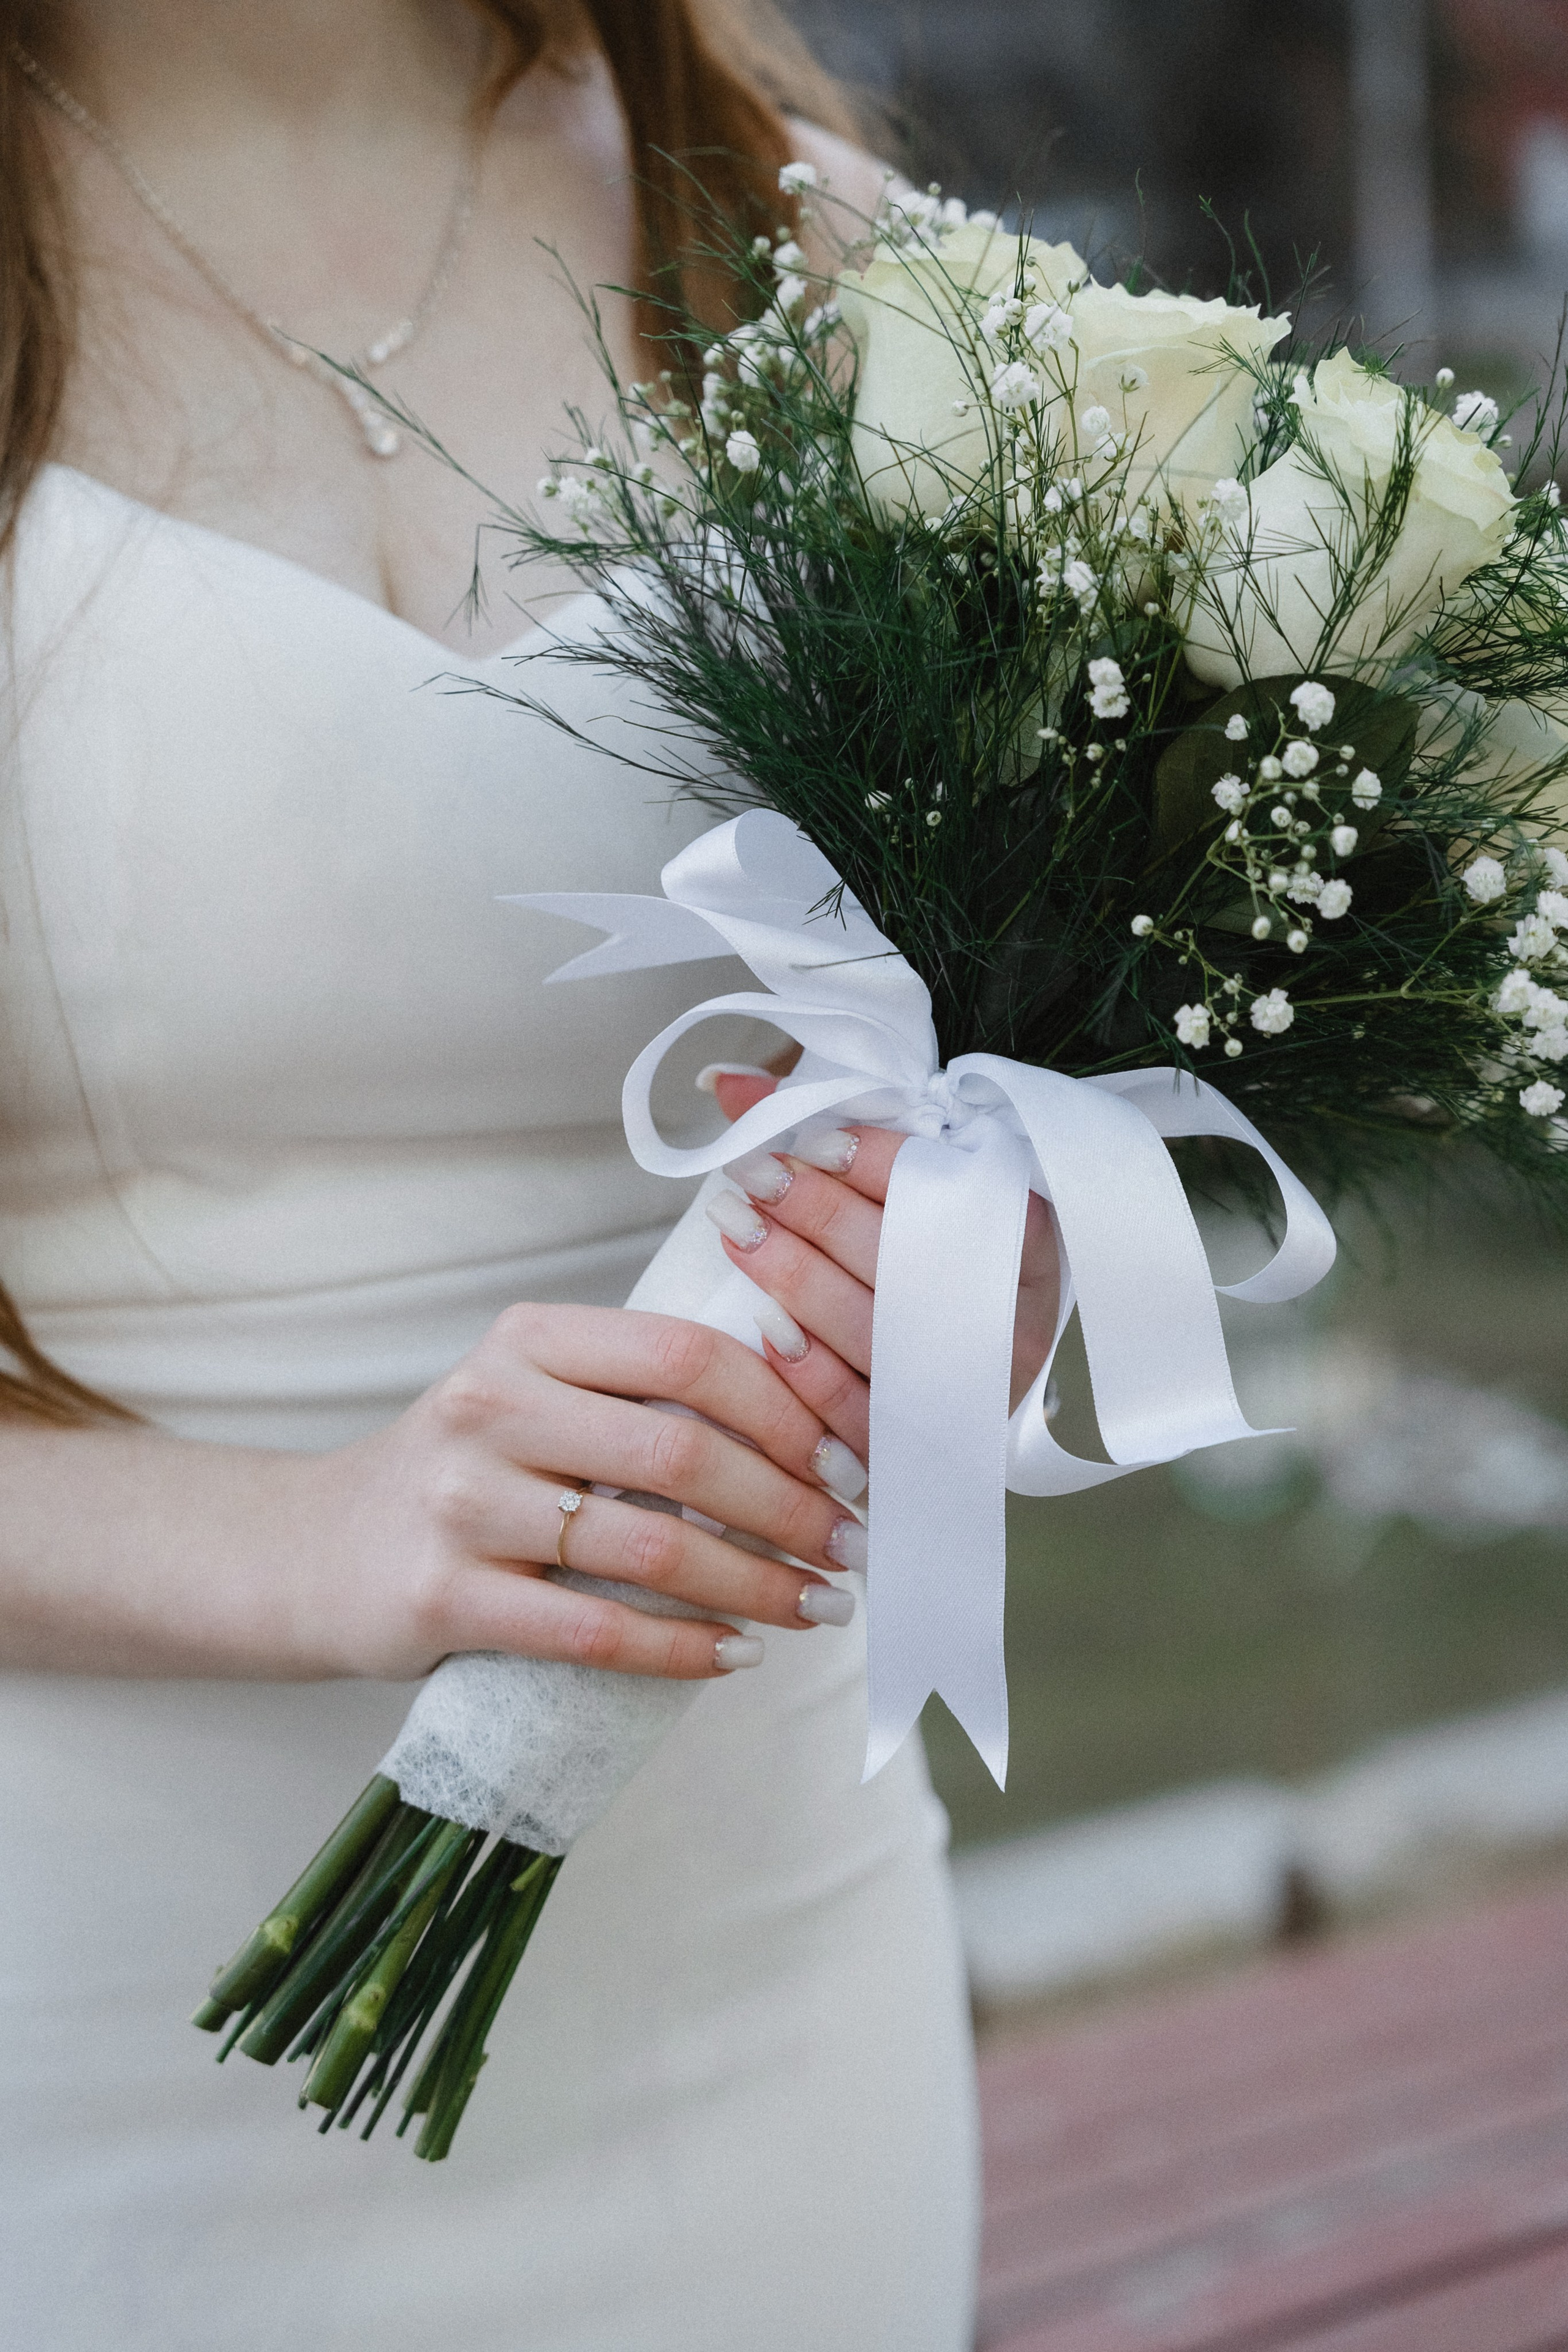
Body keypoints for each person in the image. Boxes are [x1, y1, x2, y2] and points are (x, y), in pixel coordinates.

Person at [0, 6, 1056, 2346]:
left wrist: (990, 1250)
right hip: (73, 2016)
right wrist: (324, 1534)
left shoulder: (803, 231)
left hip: (765, 1980)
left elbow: (992, 1093)